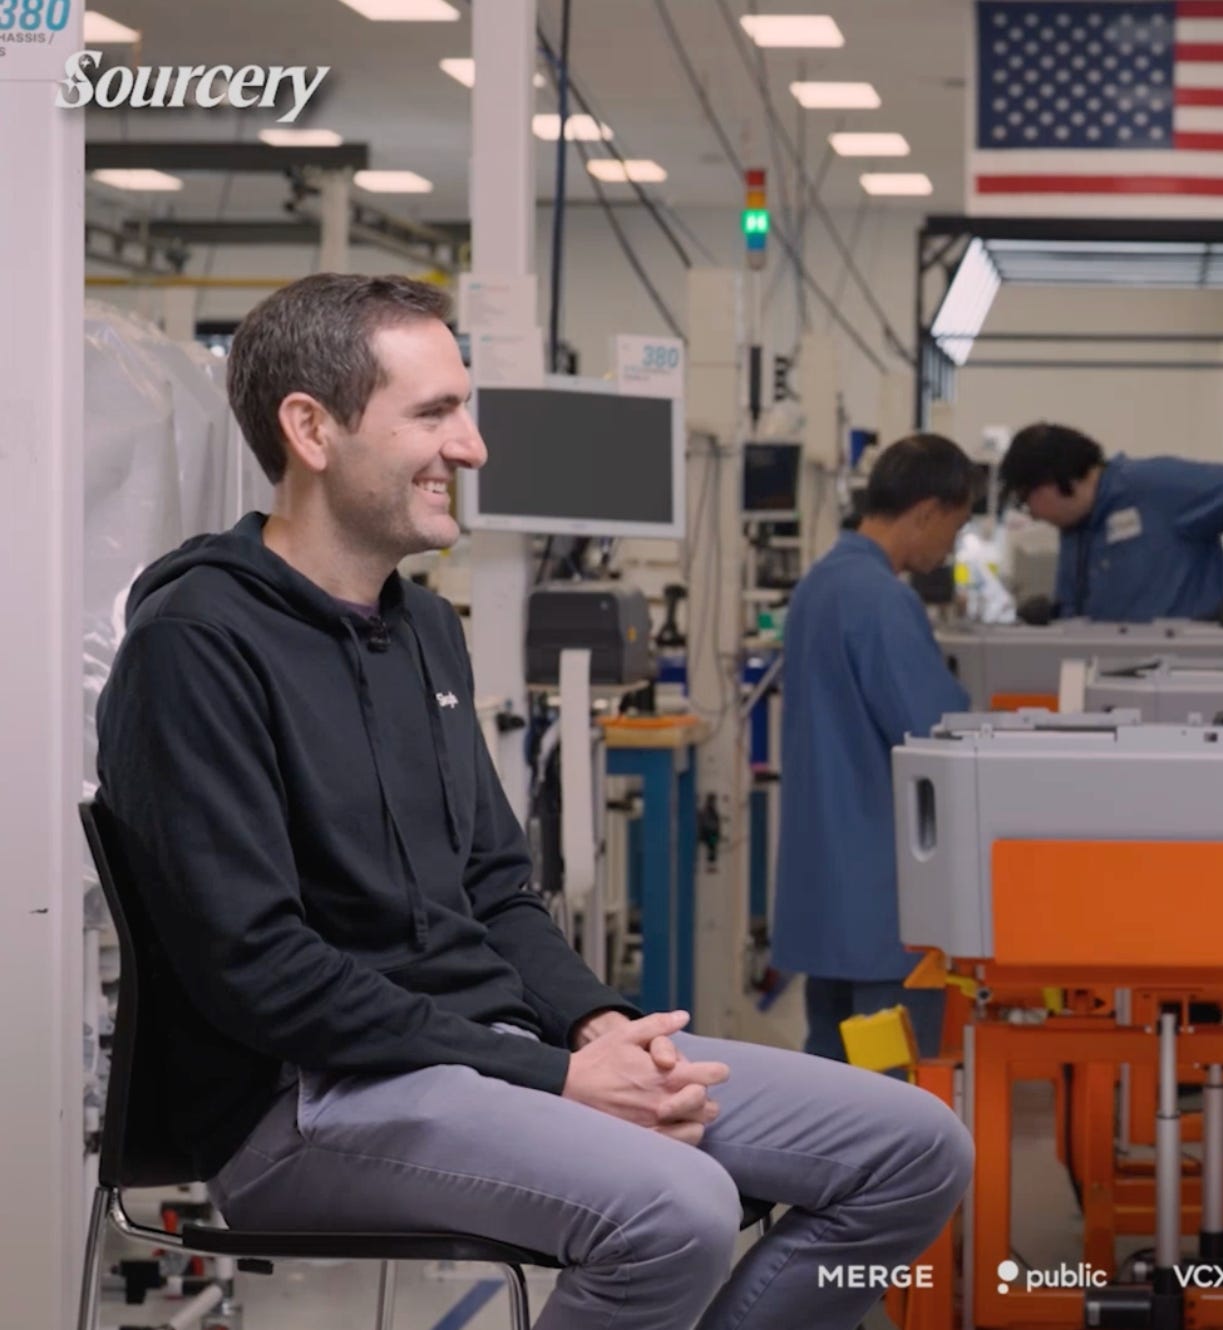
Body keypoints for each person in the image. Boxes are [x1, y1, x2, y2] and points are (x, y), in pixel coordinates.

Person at [95, 273, 971, 1330]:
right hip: (305, 1099)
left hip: (486, 1051)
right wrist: (554, 1074)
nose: (471, 448)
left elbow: (497, 888)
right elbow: (261, 970)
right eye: (434, 413)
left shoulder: (426, 631)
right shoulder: (196, 646)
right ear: (311, 429)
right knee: (679, 1210)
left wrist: (598, 1025)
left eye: (464, 410)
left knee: (917, 1149)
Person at [775, 433, 977, 1064]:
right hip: (885, 903)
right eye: (955, 528)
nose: (950, 547)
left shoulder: (818, 585)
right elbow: (937, 736)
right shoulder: (882, 599)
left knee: (829, 1084)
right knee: (892, 1088)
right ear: (928, 512)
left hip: (826, 895)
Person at [997, 422, 1223, 625]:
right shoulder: (1077, 528)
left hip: (1186, 667)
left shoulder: (1155, 488)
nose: (1033, 515)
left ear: (1053, 482)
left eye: (1026, 500)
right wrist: (1055, 616)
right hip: (1111, 668)